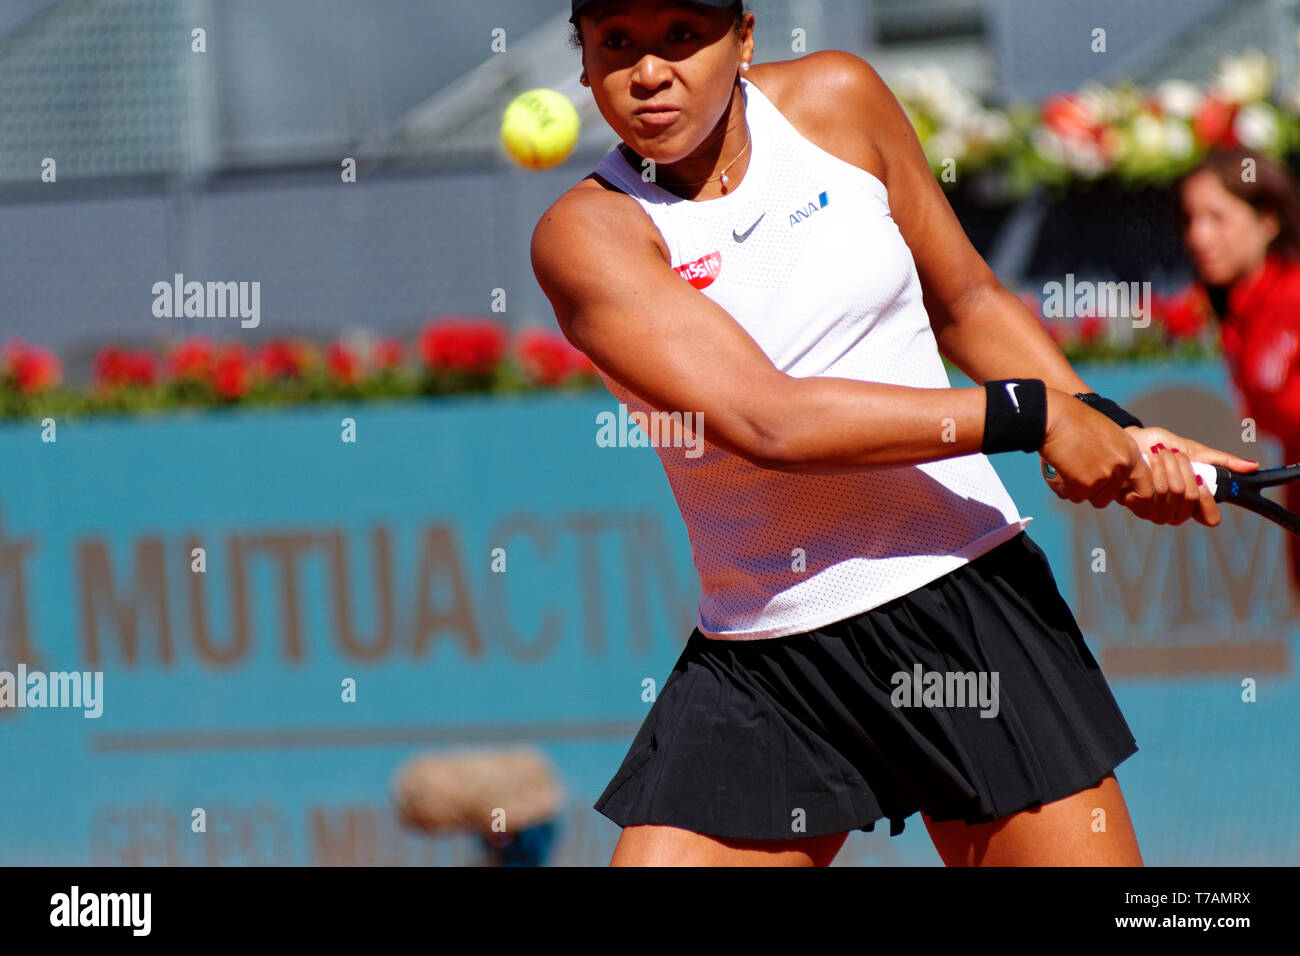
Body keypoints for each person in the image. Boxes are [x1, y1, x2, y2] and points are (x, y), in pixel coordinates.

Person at [531, 0, 1259, 867]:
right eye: (618, 44)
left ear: (746, 37)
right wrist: (1034, 418)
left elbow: (968, 301)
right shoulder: (586, 235)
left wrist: (1118, 433)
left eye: (683, 36)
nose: (650, 72)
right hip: (767, 657)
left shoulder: (843, 99)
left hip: (964, 602)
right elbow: (771, 419)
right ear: (583, 67)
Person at [1176, 148, 1300, 592]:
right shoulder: (1234, 310)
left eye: (1216, 217)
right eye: (1190, 220)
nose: (1198, 236)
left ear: (1268, 220)